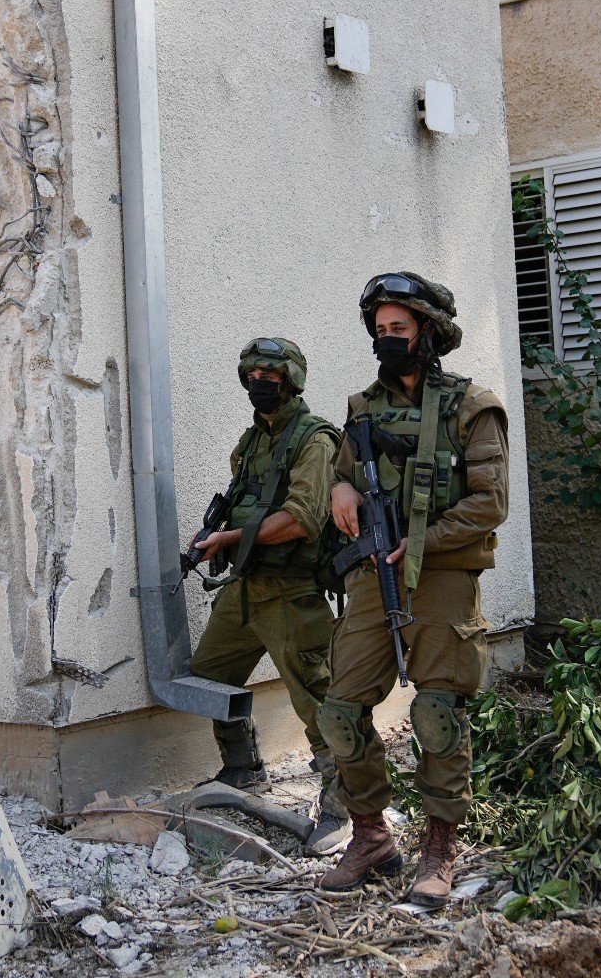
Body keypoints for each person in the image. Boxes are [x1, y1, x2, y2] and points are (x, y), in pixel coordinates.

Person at [316, 272, 510, 908]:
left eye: (399, 329)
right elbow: (342, 474)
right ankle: (371, 836)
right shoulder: (363, 407)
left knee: (436, 712)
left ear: (429, 332)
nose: (387, 340)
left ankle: (440, 847)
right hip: (376, 573)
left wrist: (422, 543)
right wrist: (341, 490)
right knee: (339, 711)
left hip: (443, 576)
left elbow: (490, 504)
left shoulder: (471, 407)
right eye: (380, 331)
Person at [186, 337, 350, 854]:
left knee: (316, 698)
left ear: (292, 381)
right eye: (252, 377)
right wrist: (216, 543)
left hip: (290, 592)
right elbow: (243, 505)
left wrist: (231, 539)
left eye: (271, 378)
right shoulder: (250, 442)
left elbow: (303, 517)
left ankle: (345, 804)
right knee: (211, 676)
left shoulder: (315, 440)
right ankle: (242, 768)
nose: (260, 385)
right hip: (245, 586)